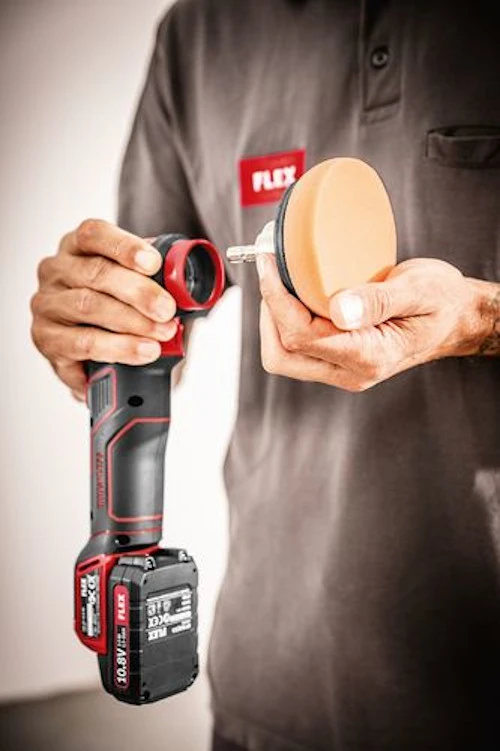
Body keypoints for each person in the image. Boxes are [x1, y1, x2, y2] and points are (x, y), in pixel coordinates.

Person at [30, 1, 500, 749]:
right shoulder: (197, 35)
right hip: (266, 696)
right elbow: (140, 326)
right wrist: (92, 323)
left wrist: (481, 317)